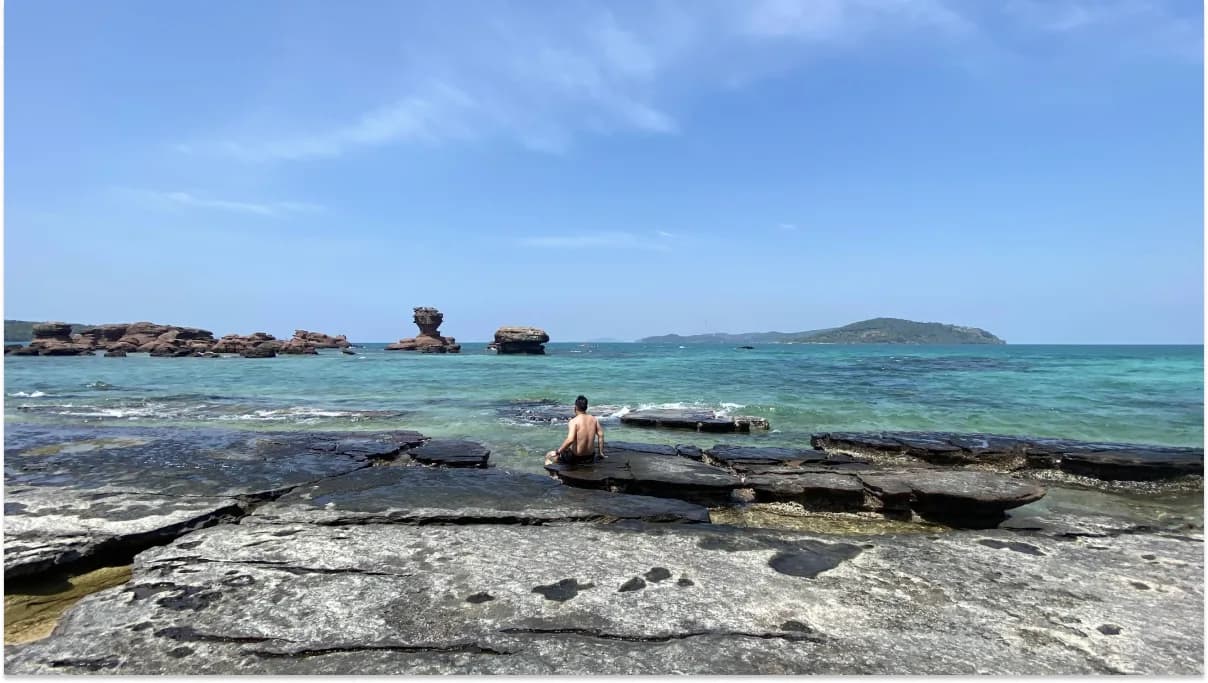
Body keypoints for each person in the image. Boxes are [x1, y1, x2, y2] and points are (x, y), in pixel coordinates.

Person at [544, 395, 605, 465]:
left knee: (549, 455)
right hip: (590, 457)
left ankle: (554, 474)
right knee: (566, 449)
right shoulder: (594, 419)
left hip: (576, 458)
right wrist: (600, 452)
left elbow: (570, 440)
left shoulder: (574, 421)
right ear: (586, 407)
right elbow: (601, 435)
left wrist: (558, 451)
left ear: (575, 407)